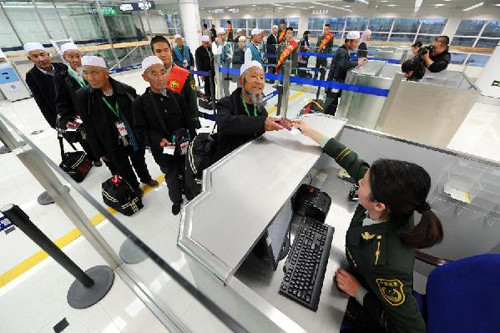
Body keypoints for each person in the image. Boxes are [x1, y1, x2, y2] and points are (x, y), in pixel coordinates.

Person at [293, 120, 443, 333]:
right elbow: (355, 163)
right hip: (358, 269)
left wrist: (359, 292)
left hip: (370, 307)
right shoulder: (395, 204)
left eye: (362, 184)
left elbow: (413, 330)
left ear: (379, 205)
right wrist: (313, 133)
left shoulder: (388, 266)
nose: (358, 181)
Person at [76, 56, 158, 197]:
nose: (90, 78)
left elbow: (139, 113)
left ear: (106, 73)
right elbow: (88, 126)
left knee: (138, 158)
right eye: (86, 73)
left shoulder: (126, 90)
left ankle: (145, 178)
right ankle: (133, 186)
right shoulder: (83, 96)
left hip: (131, 135)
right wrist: (99, 151)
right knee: (122, 165)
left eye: (94, 72)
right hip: (110, 141)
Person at [133, 56, 196, 215]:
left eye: (162, 72)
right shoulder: (139, 104)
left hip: (183, 147)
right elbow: (140, 130)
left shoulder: (177, 97)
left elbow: (188, 121)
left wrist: (192, 141)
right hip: (163, 151)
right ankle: (176, 199)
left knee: (186, 170)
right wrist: (157, 139)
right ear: (145, 77)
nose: (160, 77)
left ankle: (189, 192)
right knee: (171, 175)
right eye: (154, 74)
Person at [215, 61, 283, 160]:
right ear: (241, 81)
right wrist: (262, 123)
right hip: (228, 160)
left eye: (262, 78)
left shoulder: (261, 110)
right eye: (254, 76)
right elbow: (224, 123)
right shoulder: (226, 103)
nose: (259, 81)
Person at [54, 42, 102, 167]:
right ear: (65, 58)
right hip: (80, 113)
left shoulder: (91, 70)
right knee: (87, 137)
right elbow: (61, 100)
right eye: (71, 57)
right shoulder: (62, 77)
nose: (75, 60)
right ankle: (95, 156)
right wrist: (65, 118)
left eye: (77, 56)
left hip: (98, 109)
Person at [151, 36, 200, 128]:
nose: (163, 54)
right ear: (153, 53)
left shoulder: (184, 74)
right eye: (158, 51)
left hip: (182, 124)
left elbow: (192, 102)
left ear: (171, 51)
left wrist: (194, 122)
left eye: (166, 50)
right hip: (163, 125)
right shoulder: (151, 75)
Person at [324, 31, 368, 116]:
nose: (356, 45)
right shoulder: (342, 51)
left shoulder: (344, 51)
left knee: (332, 105)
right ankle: (325, 121)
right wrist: (357, 63)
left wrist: (356, 61)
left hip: (335, 84)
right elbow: (343, 64)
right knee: (330, 107)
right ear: (349, 41)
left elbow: (345, 62)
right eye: (355, 42)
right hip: (334, 84)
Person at [24, 42, 66, 129]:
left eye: (42, 54)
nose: (41, 59)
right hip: (60, 115)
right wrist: (53, 123)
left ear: (48, 54)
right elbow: (41, 101)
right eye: (35, 56)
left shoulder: (61, 67)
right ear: (30, 58)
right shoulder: (31, 76)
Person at [212, 27, 233, 97]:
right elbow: (215, 53)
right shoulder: (214, 44)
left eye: (224, 34)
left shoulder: (228, 44)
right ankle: (220, 100)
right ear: (217, 36)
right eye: (221, 35)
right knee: (220, 86)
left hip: (227, 69)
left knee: (226, 86)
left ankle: (227, 98)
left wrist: (230, 56)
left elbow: (231, 54)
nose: (223, 36)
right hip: (218, 70)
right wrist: (220, 45)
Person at [195, 35, 215, 102]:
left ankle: (213, 97)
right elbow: (198, 63)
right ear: (202, 42)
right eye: (205, 43)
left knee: (212, 84)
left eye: (208, 43)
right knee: (207, 85)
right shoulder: (198, 50)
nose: (207, 45)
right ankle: (208, 98)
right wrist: (201, 74)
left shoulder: (209, 48)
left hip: (211, 70)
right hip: (204, 71)